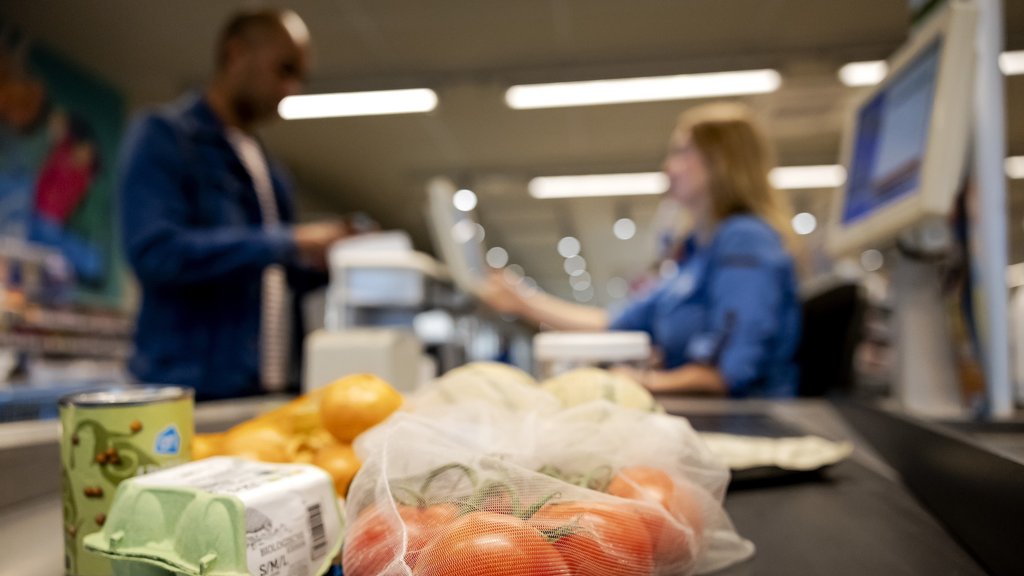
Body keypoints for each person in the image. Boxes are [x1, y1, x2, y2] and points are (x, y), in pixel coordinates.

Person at [481, 103, 802, 398]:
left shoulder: (744, 238)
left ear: (721, 160)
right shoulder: (695, 255)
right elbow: (615, 322)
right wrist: (522, 301)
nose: (668, 167)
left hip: (746, 421)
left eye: (682, 152)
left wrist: (644, 381)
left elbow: (731, 370)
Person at [119, 8, 350, 400]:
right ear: (236, 53)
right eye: (284, 69)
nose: (291, 88)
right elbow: (156, 252)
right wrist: (290, 241)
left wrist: (325, 261)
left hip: (269, 387)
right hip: (192, 392)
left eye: (299, 77)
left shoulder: (271, 172)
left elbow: (273, 277)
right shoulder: (165, 137)